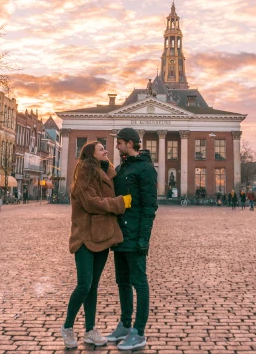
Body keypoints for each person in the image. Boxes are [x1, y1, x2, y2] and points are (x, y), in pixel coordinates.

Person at [61, 141, 130, 349]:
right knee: (84, 284)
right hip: (84, 236)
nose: (106, 151)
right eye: (101, 149)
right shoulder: (83, 173)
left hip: (101, 235)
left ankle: (90, 330)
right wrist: (120, 203)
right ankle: (67, 327)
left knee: (93, 286)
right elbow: (92, 202)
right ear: (91, 154)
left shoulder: (107, 172)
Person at [107, 128, 158, 351]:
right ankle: (125, 325)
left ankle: (139, 331)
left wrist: (143, 239)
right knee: (122, 282)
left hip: (135, 234)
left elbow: (150, 207)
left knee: (140, 283)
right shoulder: (121, 168)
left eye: (119, 143)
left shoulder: (146, 169)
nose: (116, 147)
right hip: (120, 235)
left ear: (130, 143)